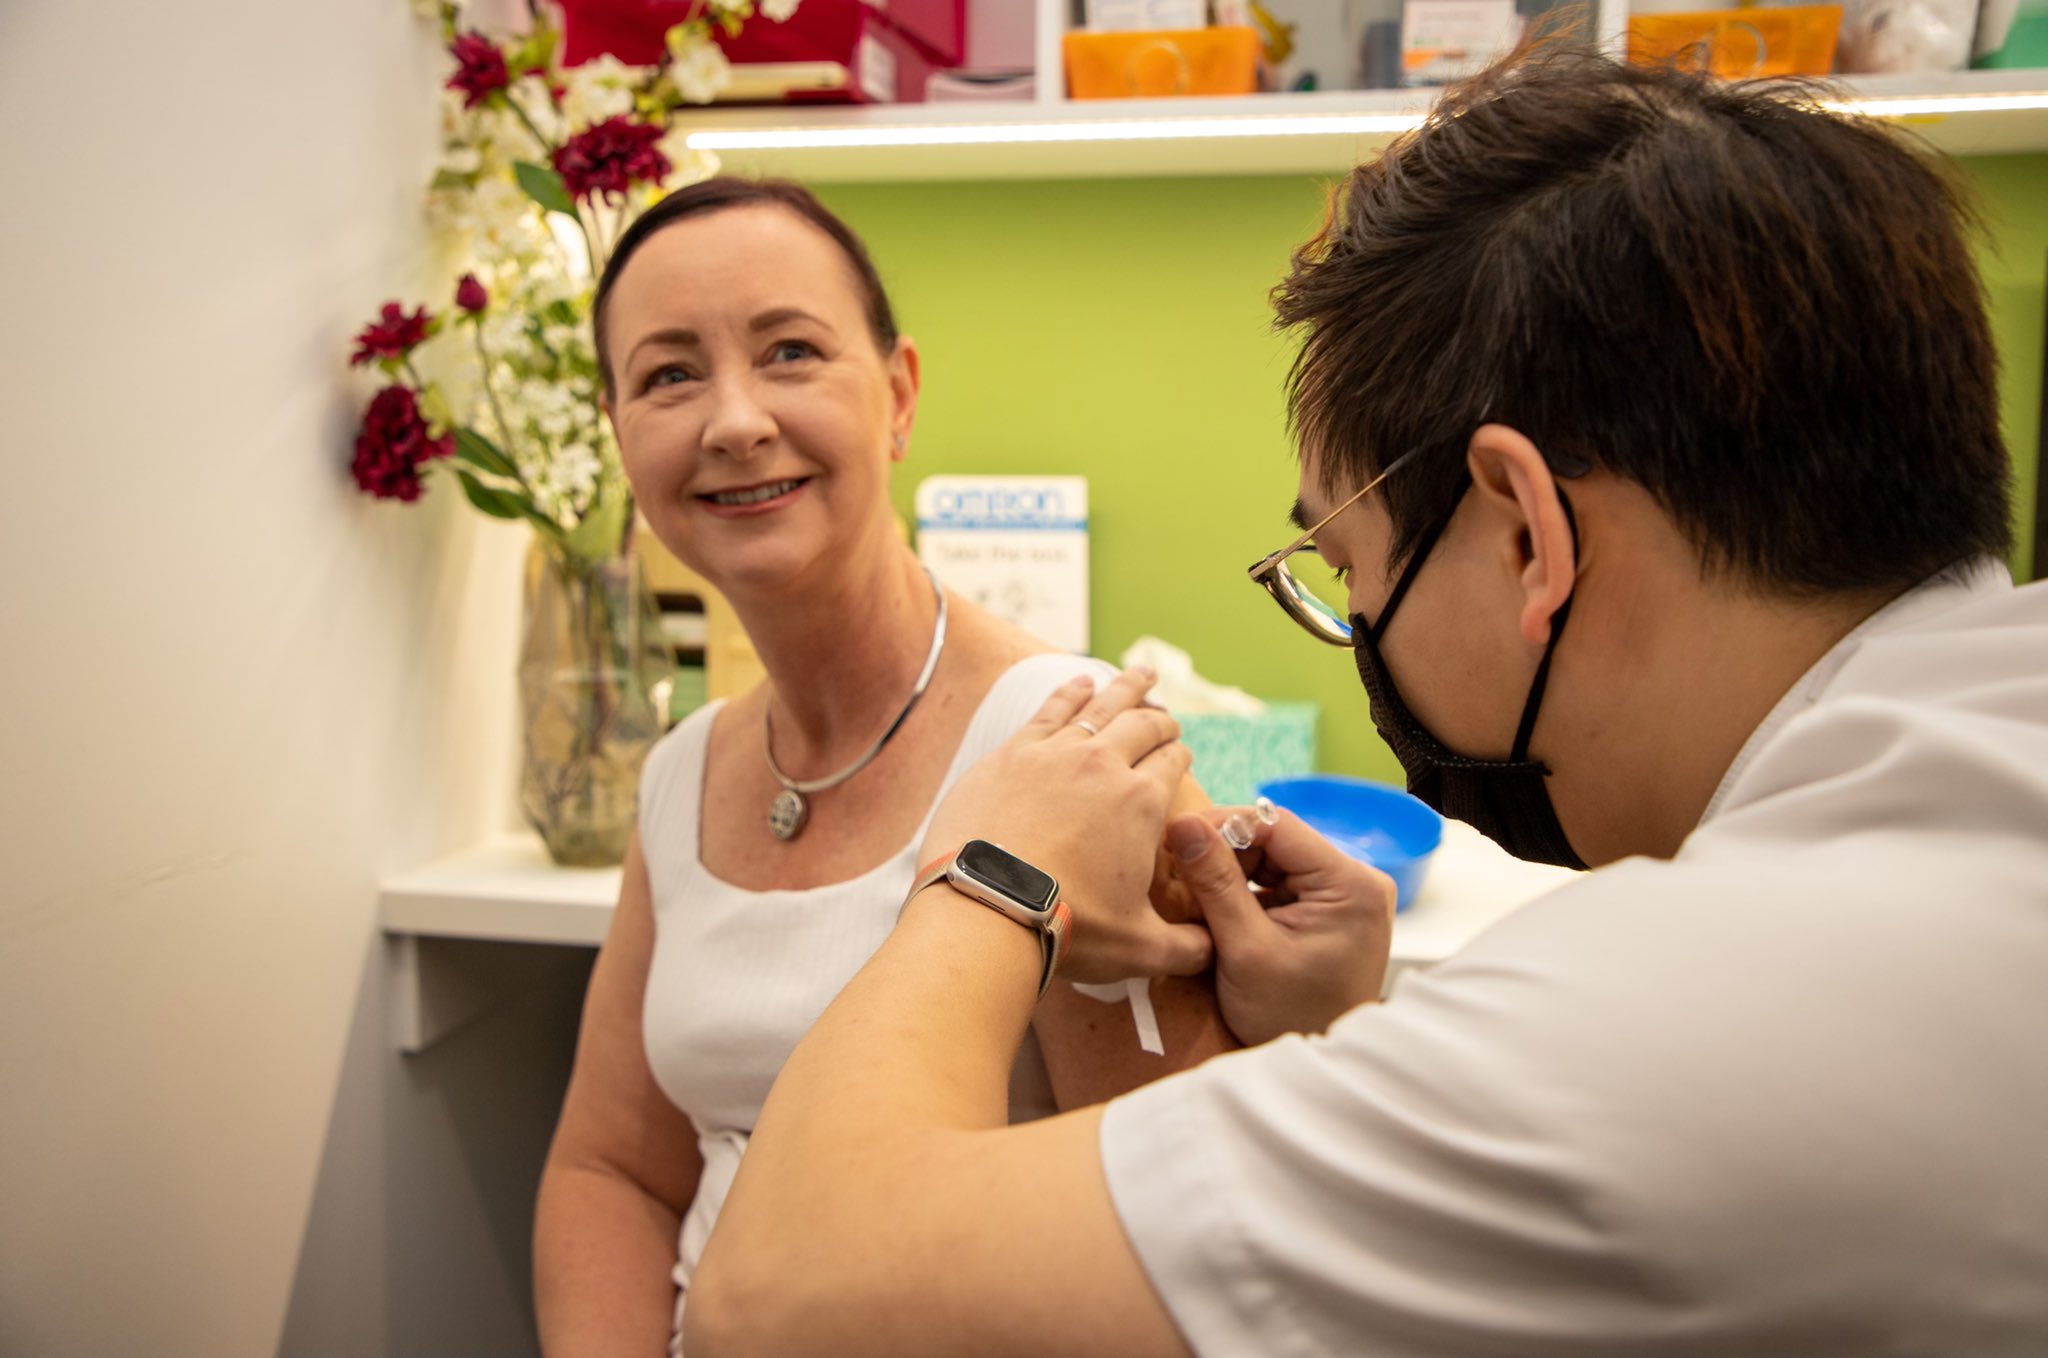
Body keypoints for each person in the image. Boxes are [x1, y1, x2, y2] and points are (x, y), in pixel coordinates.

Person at [680, 45, 2048, 1357]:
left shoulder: (1677, 1023)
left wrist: (989, 870)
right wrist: (1353, 1039)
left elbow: (781, 1295)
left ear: (1525, 533)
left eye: (1346, 568)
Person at [529, 178, 1231, 1358]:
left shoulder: (1070, 745)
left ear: (897, 395)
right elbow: (614, 1165)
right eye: (667, 373)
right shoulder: (681, 769)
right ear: (616, 432)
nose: (733, 420)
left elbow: (1162, 1223)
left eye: (789, 350)